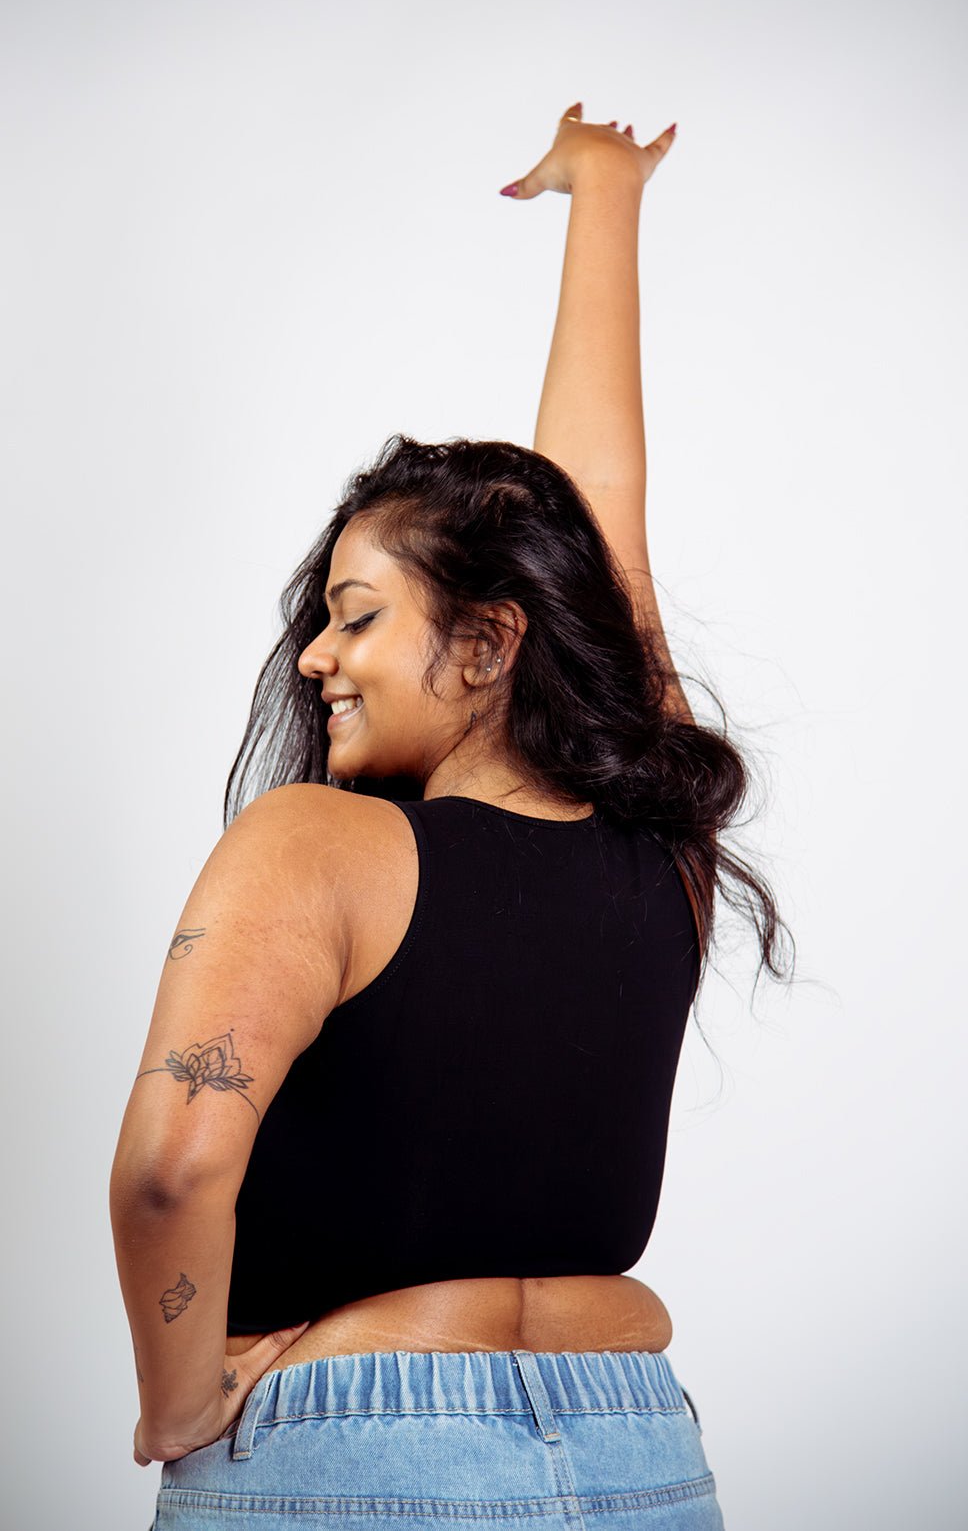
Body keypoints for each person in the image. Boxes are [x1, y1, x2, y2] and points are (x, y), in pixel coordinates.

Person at [110, 101, 792, 1529]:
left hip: (352, 1456)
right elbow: (604, 536)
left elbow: (173, 1169)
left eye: (354, 616)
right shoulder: (661, 851)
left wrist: (177, 1405)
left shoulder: (314, 845)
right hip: (639, 1455)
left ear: (488, 643)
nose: (315, 656)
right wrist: (608, 197)